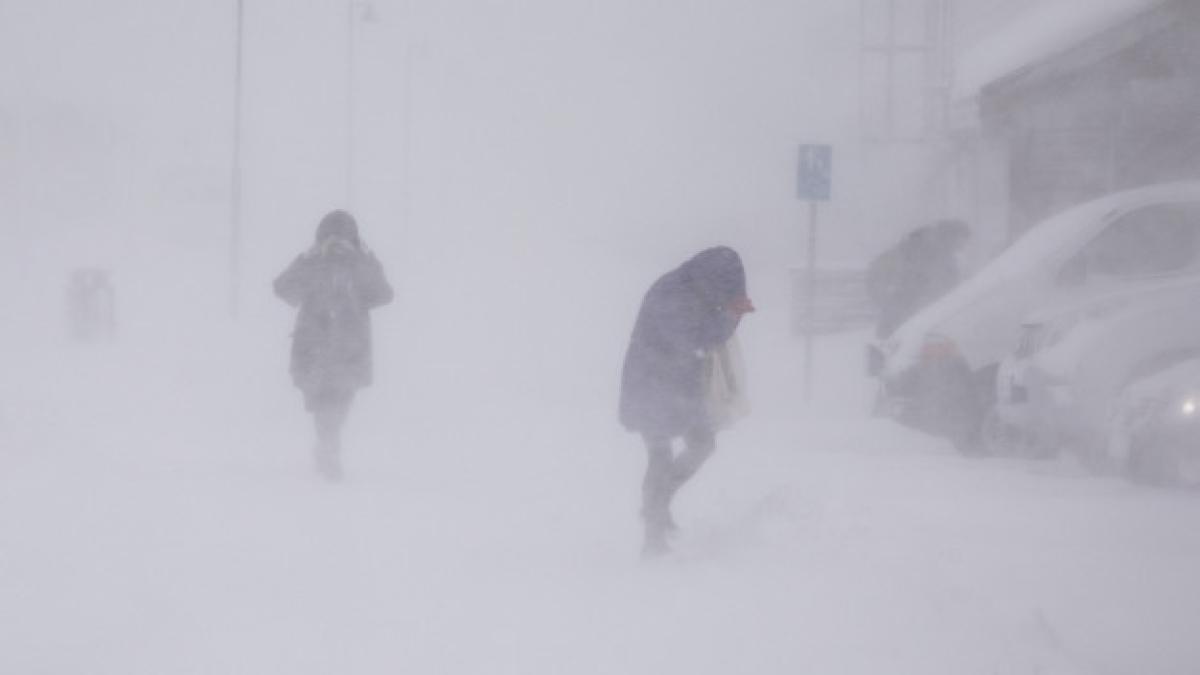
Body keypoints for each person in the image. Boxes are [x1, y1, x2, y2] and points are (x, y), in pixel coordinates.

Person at [618, 246, 755, 556]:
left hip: (677, 387)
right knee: (660, 454)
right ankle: (653, 536)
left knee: (702, 445)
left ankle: (657, 506)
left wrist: (728, 313)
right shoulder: (673, 293)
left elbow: (699, 338)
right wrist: (729, 318)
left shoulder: (693, 288)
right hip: (652, 386)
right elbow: (694, 340)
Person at [274, 210, 394, 481]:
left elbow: (384, 294)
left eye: (343, 238)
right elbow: (283, 289)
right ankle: (328, 448)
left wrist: (362, 259)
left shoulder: (358, 264)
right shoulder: (314, 263)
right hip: (315, 345)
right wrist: (308, 258)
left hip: (349, 348)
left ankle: (328, 446)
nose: (337, 244)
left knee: (339, 400)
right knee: (323, 400)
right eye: (331, 238)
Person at [866, 218, 970, 338]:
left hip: (923, 321)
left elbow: (947, 290)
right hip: (904, 321)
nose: (963, 246)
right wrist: (887, 302)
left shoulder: (945, 257)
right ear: (951, 236)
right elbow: (877, 274)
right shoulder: (918, 250)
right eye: (962, 240)